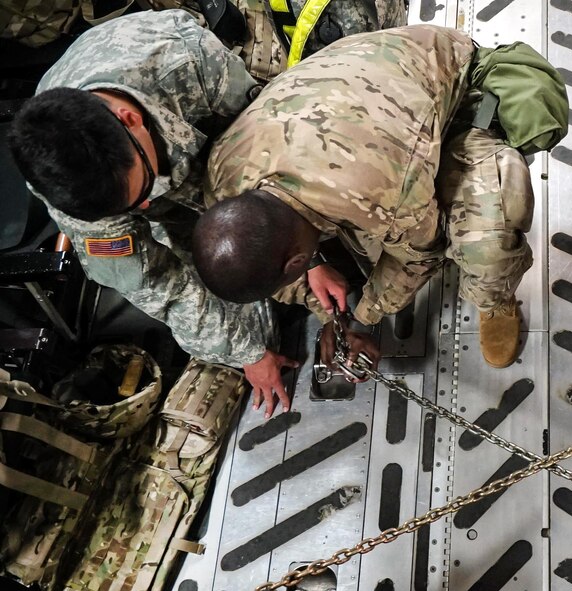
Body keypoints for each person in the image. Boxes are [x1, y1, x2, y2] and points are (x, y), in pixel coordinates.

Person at [6, 10, 346, 415]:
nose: (145, 206)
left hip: (219, 141)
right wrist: (250, 353)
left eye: (142, 190)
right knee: (238, 315)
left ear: (130, 121)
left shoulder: (185, 62)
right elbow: (159, 286)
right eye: (132, 209)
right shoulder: (70, 187)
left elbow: (272, 151)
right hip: (163, 180)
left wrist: (309, 254)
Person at [194, 25, 537, 369]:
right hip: (367, 94)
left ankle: (494, 299)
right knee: (375, 238)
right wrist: (327, 307)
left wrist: (363, 315)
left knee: (485, 244)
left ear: (295, 261)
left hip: (452, 87)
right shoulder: (223, 178)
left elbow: (422, 254)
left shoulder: (380, 194)